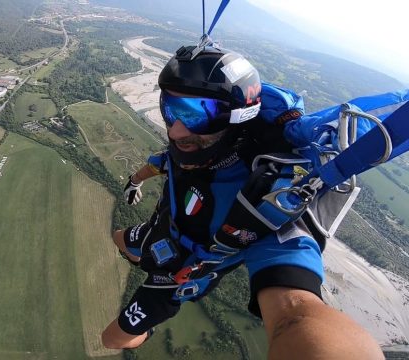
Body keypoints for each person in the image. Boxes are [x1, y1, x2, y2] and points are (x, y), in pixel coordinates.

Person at [101, 42, 383, 359]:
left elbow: (295, 314)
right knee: (119, 239)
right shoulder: (189, 152)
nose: (177, 129)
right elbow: (162, 161)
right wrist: (135, 181)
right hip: (162, 232)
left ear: (235, 118)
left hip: (183, 273)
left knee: (113, 339)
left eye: (197, 116)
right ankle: (142, 259)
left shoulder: (265, 196)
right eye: (171, 108)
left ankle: (146, 326)